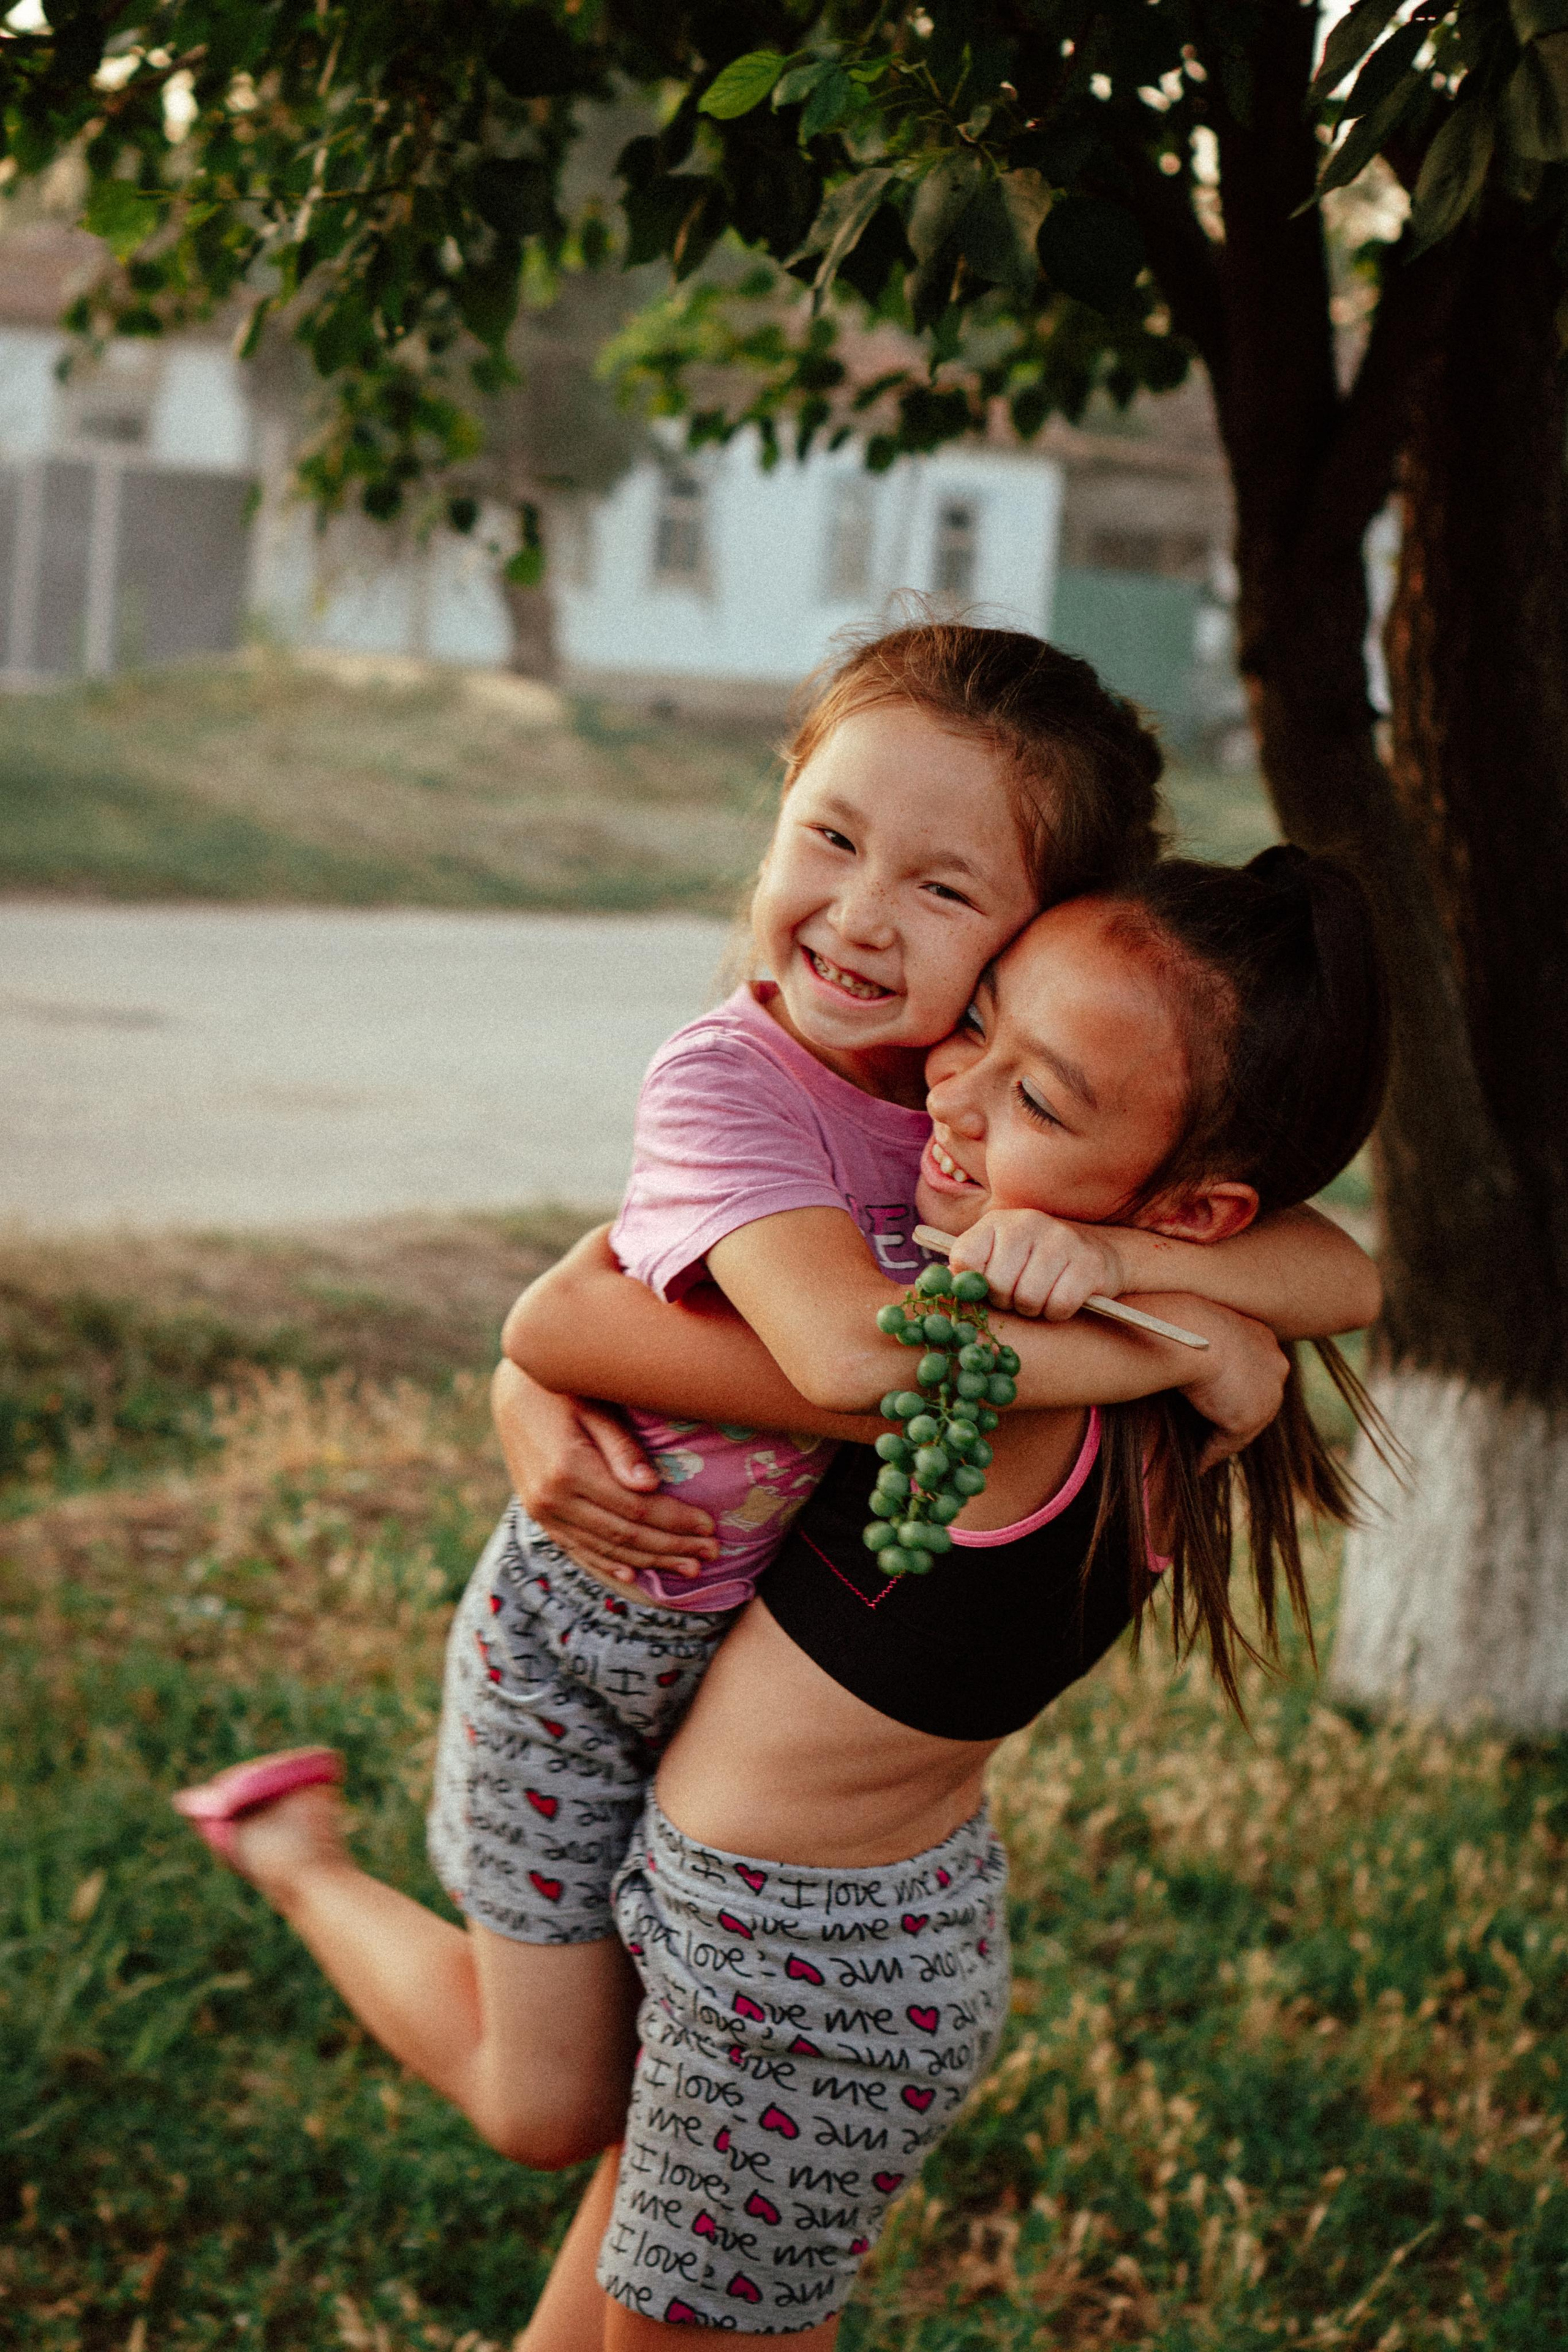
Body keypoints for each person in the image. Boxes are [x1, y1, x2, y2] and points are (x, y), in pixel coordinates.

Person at [170, 624, 1372, 2248]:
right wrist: (1176, 1350)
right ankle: (291, 1850)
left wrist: (1131, 1275)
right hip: (579, 1670)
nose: (866, 914)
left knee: (638, 2106)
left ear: (1049, 927)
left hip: (734, 1672)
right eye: (831, 836)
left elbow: (1343, 1272)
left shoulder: (976, 1105)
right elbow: (813, 1352)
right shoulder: (745, 1081)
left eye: (947, 893)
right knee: (548, 2112)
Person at [493, 843, 1387, 2346]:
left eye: (1037, 1099)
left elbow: (575, 1321)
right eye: (977, 1018)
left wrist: (526, 1377)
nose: (946, 1093)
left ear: (1197, 1212)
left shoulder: (985, 1367)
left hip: (804, 1985)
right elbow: (1334, 1272)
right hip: (764, 1931)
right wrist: (1160, 1303)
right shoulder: (1119, 1304)